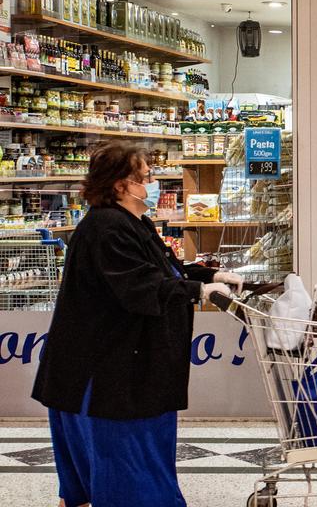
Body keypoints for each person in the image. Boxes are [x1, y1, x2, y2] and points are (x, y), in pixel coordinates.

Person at [32, 141, 244, 507]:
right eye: (145, 176)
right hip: (105, 374)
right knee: (124, 463)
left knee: (105, 462)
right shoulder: (107, 228)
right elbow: (138, 285)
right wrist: (198, 290)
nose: (153, 181)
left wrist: (209, 274)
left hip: (113, 367)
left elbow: (160, 269)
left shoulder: (131, 222)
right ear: (120, 185)